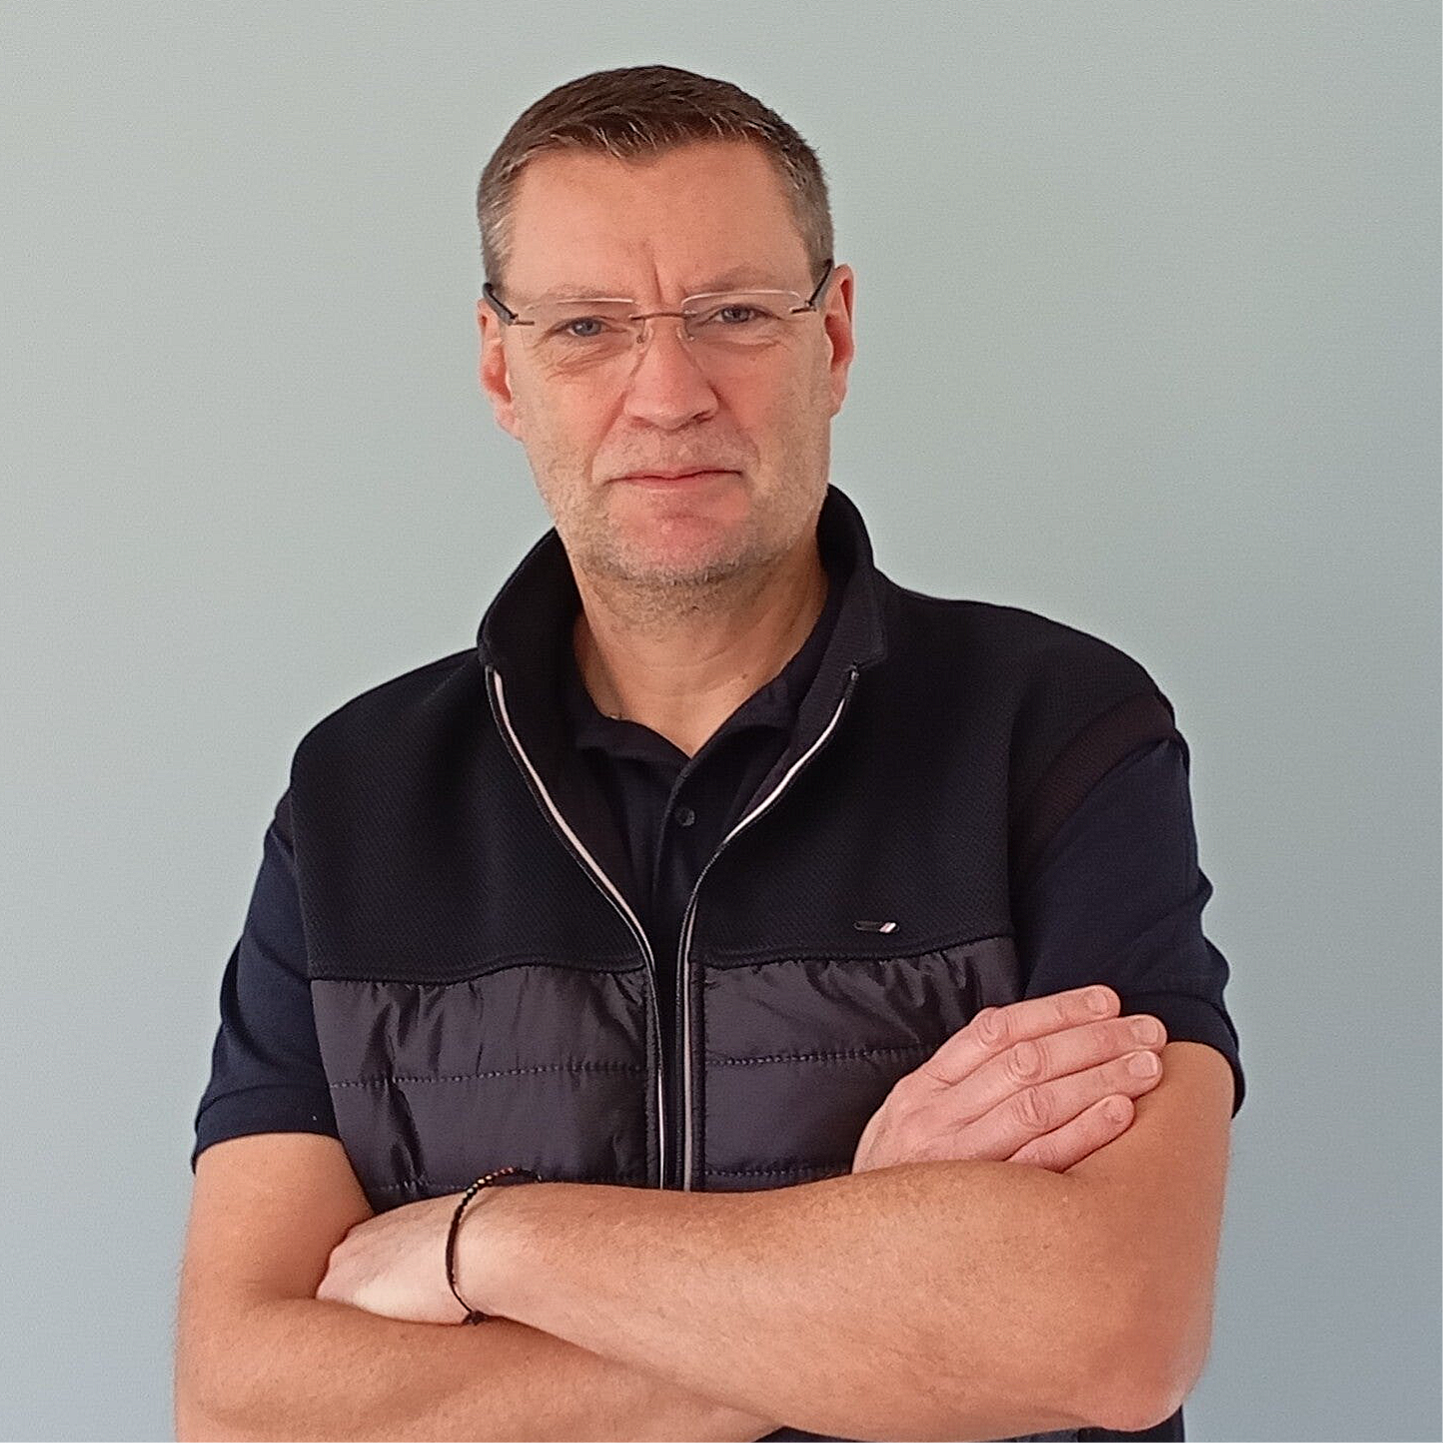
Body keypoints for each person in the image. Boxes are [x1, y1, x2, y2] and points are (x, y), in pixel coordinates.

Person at [175, 64, 1244, 1444]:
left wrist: (486, 1242)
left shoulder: (1057, 734)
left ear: (833, 338)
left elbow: (1111, 1335)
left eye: (734, 314)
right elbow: (242, 1408)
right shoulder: (357, 797)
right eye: (586, 327)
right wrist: (872, 1258)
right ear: (503, 367)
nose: (668, 393)